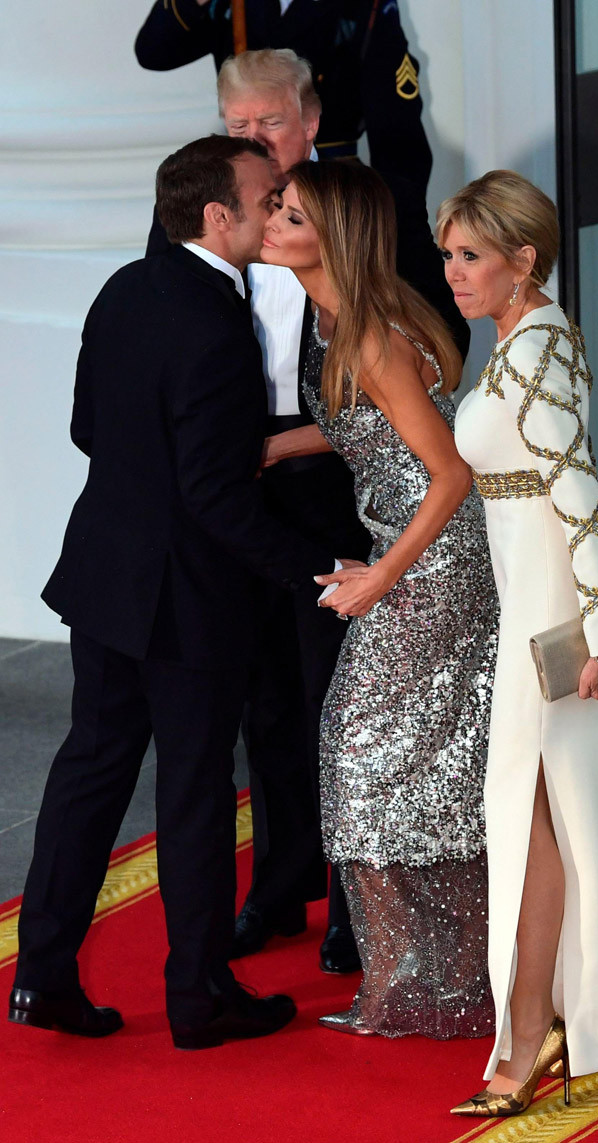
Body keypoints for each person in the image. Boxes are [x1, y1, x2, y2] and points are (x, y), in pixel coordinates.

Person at [8, 136, 352, 1051]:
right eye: (263, 194)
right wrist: (312, 571)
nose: (275, 203)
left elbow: (88, 427)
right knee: (196, 791)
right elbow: (213, 493)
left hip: (106, 579)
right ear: (217, 216)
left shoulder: (126, 285)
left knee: (88, 775)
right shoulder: (212, 319)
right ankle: (199, 995)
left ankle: (41, 976)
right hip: (189, 600)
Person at [144, 47, 470, 974]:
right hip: (239, 484)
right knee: (264, 699)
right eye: (235, 124)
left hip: (343, 490)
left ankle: (352, 901)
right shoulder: (204, 210)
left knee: (340, 696)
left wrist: (301, 444)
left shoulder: (365, 207)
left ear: (311, 120)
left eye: (267, 124)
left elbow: (419, 365)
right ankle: (283, 883)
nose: (250, 141)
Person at [260, 158, 499, 1038]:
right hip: (407, 550)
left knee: (366, 760)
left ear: (333, 235)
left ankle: (436, 986)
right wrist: (281, 448)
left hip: (429, 559)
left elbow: (449, 473)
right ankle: (431, 983)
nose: (272, 221)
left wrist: (381, 575)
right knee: (405, 765)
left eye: (289, 212)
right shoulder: (339, 319)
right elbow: (370, 426)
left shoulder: (368, 332)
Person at [436, 170, 598, 1115]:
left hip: (551, 622)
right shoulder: (521, 340)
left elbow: (581, 492)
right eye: (446, 253)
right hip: (531, 602)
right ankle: (557, 1018)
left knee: (528, 828)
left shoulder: (534, 351)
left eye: (469, 255)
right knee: (543, 824)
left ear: (522, 260)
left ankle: (526, 1040)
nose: (451, 272)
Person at [134, 0, 433, 190]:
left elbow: (398, 139)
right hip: (243, 184)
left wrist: (391, 226)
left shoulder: (362, 6)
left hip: (327, 184)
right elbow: (154, 53)